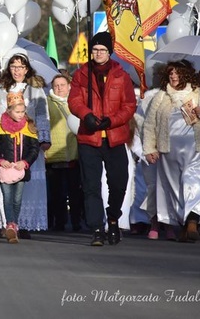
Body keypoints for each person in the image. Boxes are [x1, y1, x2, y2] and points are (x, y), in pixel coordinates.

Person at [142, 59, 200, 243]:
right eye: (170, 73)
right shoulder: (161, 97)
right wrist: (149, 148)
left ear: (185, 75)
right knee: (176, 189)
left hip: (199, 149)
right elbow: (149, 125)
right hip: (170, 152)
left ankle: (193, 221)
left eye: (177, 73)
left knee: (194, 184)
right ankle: (185, 226)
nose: (173, 76)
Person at [68, 32, 136, 246]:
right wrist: (86, 115)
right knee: (90, 185)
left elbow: (129, 106)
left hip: (114, 137)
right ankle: (97, 227)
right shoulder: (81, 74)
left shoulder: (121, 75)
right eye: (95, 50)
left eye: (102, 50)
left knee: (118, 183)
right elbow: (74, 100)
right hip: (90, 138)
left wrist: (112, 121)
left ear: (109, 52)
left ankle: (113, 216)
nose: (98, 53)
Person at [0, 51, 50, 237]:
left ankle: (24, 223)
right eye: (13, 66)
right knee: (6, 183)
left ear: (26, 69)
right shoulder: (0, 88)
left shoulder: (35, 89)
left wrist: (44, 138)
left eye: (20, 67)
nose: (17, 71)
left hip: (28, 142)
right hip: (5, 142)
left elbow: (43, 115)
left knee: (26, 184)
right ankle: (7, 223)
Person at [0, 96, 41, 244]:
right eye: (17, 112)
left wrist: (25, 162)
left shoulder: (28, 127)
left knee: (17, 199)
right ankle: (10, 224)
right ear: (9, 111)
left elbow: (34, 149)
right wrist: (0, 160)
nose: (20, 114)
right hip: (5, 170)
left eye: (23, 111)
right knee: (7, 197)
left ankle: (14, 225)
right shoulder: (0, 127)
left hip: (21, 171)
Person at [45, 73, 83, 232]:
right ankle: (58, 222)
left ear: (69, 86)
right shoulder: (47, 103)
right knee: (56, 193)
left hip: (74, 153)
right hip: (54, 154)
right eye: (56, 85)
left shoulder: (77, 103)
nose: (59, 88)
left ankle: (76, 222)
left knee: (75, 192)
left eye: (62, 85)